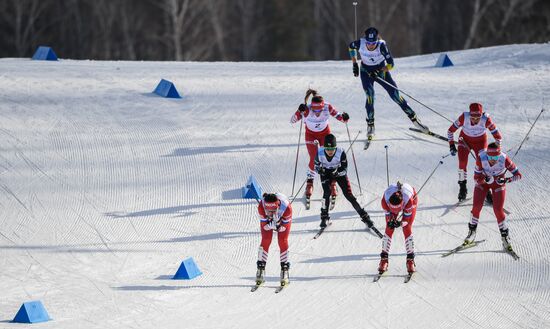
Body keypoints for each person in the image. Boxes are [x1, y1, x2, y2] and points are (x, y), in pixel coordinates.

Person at [348, 26, 428, 140]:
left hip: (381, 71)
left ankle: (415, 121)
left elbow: (391, 64)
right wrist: (354, 63)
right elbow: (351, 47)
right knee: (370, 97)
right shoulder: (360, 43)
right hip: (366, 72)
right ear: (366, 40)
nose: (371, 45)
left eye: (373, 43)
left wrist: (380, 70)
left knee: (396, 96)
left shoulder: (381, 45)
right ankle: (370, 126)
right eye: (369, 43)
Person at [291, 89, 349, 200]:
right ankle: (309, 183)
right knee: (314, 158)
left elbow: (339, 117)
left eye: (320, 111)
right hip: (311, 135)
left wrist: (345, 118)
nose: (317, 113)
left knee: (329, 157)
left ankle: (332, 182)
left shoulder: (327, 107)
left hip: (325, 134)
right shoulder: (307, 109)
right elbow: (292, 120)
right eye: (315, 111)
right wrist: (299, 111)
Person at [464, 142, 522, 252]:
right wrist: (484, 179)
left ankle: (505, 237)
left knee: (498, 210)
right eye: (490, 157)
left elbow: (518, 175)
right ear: (486, 154)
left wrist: (506, 180)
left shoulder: (504, 159)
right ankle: (471, 233)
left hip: (498, 184)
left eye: (495, 157)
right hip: (483, 183)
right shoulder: (481, 157)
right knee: (476, 207)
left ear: (499, 155)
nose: (492, 159)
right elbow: (476, 178)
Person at [313, 134, 375, 230]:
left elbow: (345, 169)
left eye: (332, 149)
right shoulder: (319, 152)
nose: (330, 151)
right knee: (326, 193)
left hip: (339, 173)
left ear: (335, 147)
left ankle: (365, 217)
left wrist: (337, 173)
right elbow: (316, 167)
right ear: (324, 147)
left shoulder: (341, 152)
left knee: (349, 195)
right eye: (327, 149)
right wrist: (320, 170)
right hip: (326, 173)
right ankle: (324, 217)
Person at [447, 103, 502, 202]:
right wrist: (451, 145)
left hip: (480, 142)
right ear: (470, 115)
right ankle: (462, 188)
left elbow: (498, 137)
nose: (475, 120)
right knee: (462, 163)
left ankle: (486, 189)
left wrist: (497, 151)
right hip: (464, 141)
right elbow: (450, 131)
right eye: (473, 118)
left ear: (482, 115)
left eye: (478, 118)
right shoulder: (464, 117)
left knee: (483, 165)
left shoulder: (486, 119)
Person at [378, 182, 418, 275]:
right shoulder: (385, 201)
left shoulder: (408, 201)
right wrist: (391, 222)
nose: (397, 212)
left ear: (402, 204)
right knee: (389, 228)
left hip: (412, 197)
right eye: (393, 210)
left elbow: (406, 222)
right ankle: (384, 259)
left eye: (398, 209)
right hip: (394, 204)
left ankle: (410, 260)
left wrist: (400, 223)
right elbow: (389, 221)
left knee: (407, 228)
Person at [255, 192, 293, 287]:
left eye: (273, 211)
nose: (271, 214)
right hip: (270, 221)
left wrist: (279, 226)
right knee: (266, 239)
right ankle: (260, 270)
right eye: (268, 211)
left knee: (282, 240)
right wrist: (269, 225)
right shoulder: (261, 207)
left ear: (278, 206)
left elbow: (283, 228)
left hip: (283, 218)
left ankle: (284, 271)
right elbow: (264, 228)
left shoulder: (287, 208)